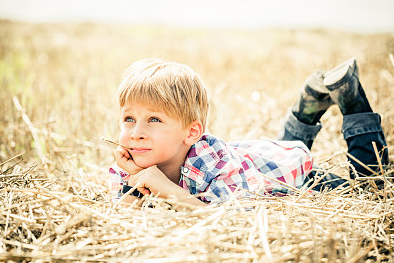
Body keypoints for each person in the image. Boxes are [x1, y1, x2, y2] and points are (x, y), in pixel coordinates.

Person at [109, 57, 389, 205]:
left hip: (293, 175)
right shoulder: (130, 165)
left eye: (154, 120)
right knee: (283, 148)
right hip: (256, 163)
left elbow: (223, 218)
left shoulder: (213, 165)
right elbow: (123, 217)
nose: (136, 132)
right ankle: (307, 106)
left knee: (370, 189)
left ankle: (354, 102)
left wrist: (166, 188)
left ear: (192, 132)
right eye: (129, 118)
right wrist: (135, 182)